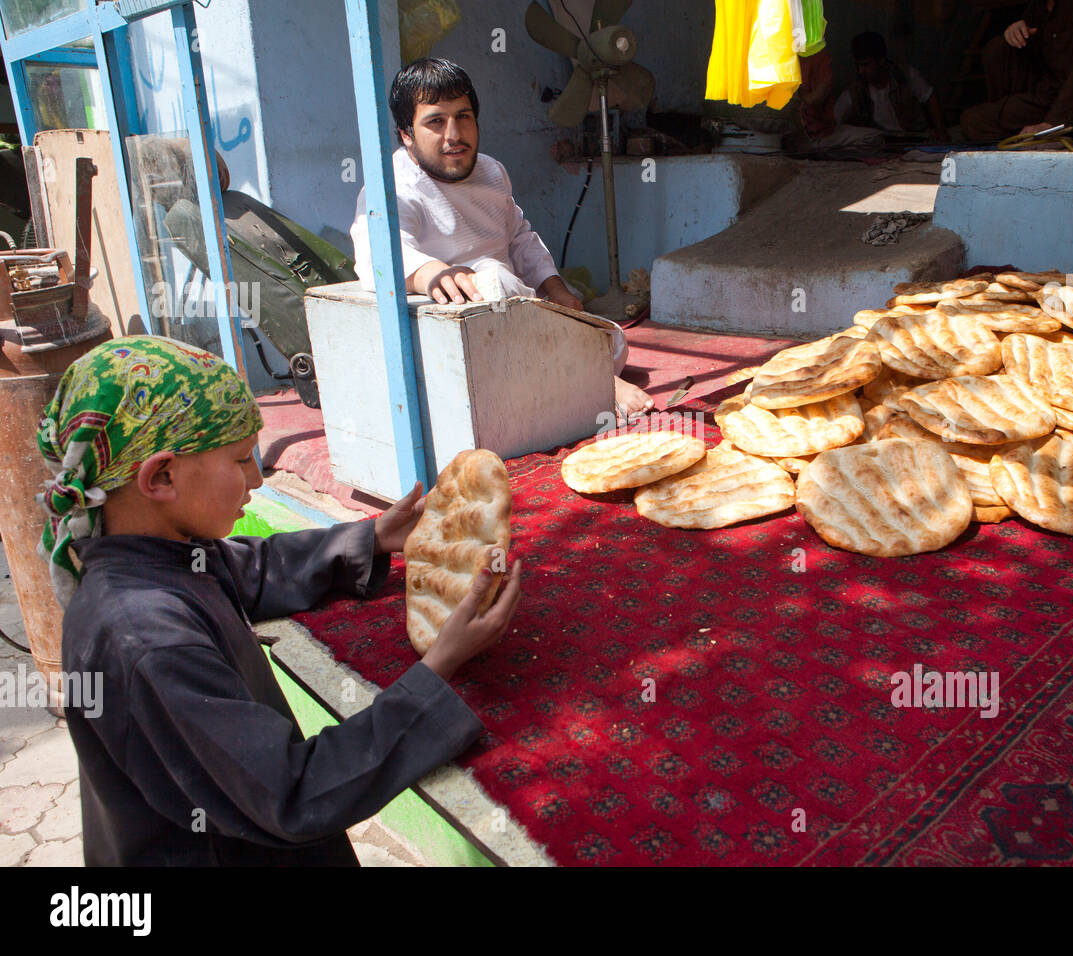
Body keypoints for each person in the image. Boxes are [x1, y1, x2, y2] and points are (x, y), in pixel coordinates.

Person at [40, 335, 522, 865]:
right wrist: (439, 666)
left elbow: (253, 567)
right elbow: (290, 795)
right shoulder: (146, 640)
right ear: (161, 476)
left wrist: (372, 537)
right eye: (241, 459)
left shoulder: (165, 555)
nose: (258, 477)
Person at [350, 58, 653, 420]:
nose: (454, 135)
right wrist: (434, 273)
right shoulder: (392, 187)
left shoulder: (492, 171)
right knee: (492, 276)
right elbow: (375, 257)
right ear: (406, 134)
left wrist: (555, 289)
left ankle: (561, 376)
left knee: (612, 339)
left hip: (520, 324)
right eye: (435, 121)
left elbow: (520, 238)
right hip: (453, 334)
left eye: (463, 117)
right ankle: (592, 380)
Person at [960, 0, 1073, 141]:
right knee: (974, 120)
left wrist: (1053, 124)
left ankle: (1047, 138)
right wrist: (1015, 32)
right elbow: (1034, 59)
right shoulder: (1040, 6)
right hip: (1044, 100)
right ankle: (1026, 138)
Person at [834, 32, 946, 142]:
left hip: (914, 136)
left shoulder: (905, 76)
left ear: (881, 60)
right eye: (857, 65)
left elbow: (929, 97)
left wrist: (940, 128)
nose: (860, 71)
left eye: (866, 65)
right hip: (882, 142)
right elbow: (836, 116)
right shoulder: (855, 91)